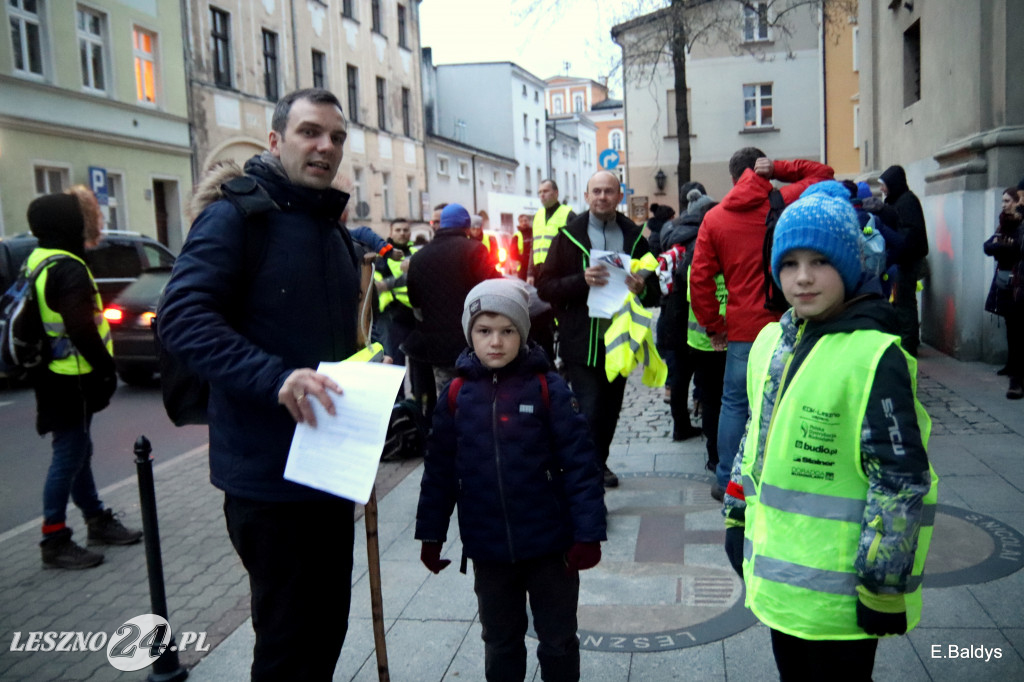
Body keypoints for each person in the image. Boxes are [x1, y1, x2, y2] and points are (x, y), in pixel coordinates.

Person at [158, 88, 361, 680]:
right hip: (268, 484)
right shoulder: (237, 215)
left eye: (336, 137)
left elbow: (321, 346)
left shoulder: (328, 227)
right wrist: (275, 378)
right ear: (276, 141)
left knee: (325, 631)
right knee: (288, 647)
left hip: (326, 472)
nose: (325, 146)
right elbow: (183, 317)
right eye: (309, 132)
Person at [722, 181, 937, 680]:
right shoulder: (770, 340)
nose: (803, 278)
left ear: (847, 266)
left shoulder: (873, 355)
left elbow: (899, 480)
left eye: (820, 262)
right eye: (790, 263)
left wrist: (883, 587)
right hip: (780, 585)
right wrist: (736, 515)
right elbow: (753, 440)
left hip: (843, 597)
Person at [415, 278, 606, 682]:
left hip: (550, 547)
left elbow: (579, 464)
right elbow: (439, 470)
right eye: (484, 331)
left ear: (522, 333)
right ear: (470, 334)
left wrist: (587, 532)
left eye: (507, 331)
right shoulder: (456, 395)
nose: (496, 342)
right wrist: (430, 534)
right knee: (500, 641)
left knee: (557, 639)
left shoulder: (547, 387)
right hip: (489, 549)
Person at [689, 148, 834, 500]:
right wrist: (782, 167)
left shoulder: (715, 218)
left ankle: (727, 481)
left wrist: (714, 325)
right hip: (788, 322)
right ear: (763, 170)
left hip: (741, 329)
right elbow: (824, 172)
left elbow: (701, 280)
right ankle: (778, 476)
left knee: (735, 403)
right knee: (788, 401)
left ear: (732, 176)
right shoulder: (782, 201)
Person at [30, 189, 142, 570]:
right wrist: (107, 370)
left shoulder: (39, 259)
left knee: (78, 449)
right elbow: (81, 328)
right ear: (67, 224)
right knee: (69, 454)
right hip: (72, 377)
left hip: (53, 374)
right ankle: (54, 537)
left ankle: (95, 518)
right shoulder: (69, 268)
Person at [537, 170, 660, 488]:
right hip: (582, 341)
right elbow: (545, 286)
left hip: (621, 341)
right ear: (586, 196)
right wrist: (582, 281)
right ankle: (587, 480)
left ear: (620, 196)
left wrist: (641, 285)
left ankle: (598, 462)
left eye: (609, 191)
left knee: (609, 413)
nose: (602, 196)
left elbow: (656, 286)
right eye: (597, 191)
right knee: (589, 411)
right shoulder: (568, 236)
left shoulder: (635, 237)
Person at [404, 203, 498, 419]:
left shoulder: (418, 257)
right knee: (478, 400)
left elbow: (414, 301)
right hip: (472, 343)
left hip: (437, 348)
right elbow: (492, 289)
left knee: (448, 399)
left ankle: (450, 444)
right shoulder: (474, 249)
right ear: (466, 226)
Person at [873, 165, 929, 356]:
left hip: (908, 260)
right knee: (903, 301)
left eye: (884, 185)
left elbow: (908, 235)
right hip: (903, 259)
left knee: (905, 303)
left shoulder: (907, 202)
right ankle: (908, 341)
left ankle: (909, 345)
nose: (882, 189)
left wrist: (892, 254)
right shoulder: (900, 200)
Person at [983, 188, 1024, 399]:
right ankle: (1013, 370)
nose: (1004, 204)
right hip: (1009, 282)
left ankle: (1016, 378)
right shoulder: (1004, 223)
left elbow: (1017, 249)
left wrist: (1004, 247)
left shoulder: (1019, 224)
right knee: (1012, 326)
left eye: (1008, 200)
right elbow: (989, 246)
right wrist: (1001, 245)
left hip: (1017, 280)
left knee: (1017, 330)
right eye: (1003, 200)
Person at [374, 219, 415, 368]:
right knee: (396, 362)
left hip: (416, 315)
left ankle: (419, 392)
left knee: (418, 362)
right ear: (390, 233)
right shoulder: (381, 257)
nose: (402, 233)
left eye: (405, 230)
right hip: (393, 315)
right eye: (398, 230)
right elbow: (378, 285)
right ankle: (399, 393)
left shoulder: (416, 253)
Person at [529, 179, 576, 285]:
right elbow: (533, 246)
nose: (542, 195)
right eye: (540, 192)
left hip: (559, 272)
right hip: (539, 272)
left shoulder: (568, 214)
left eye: (545, 191)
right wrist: (530, 273)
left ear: (556, 193)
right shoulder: (538, 215)